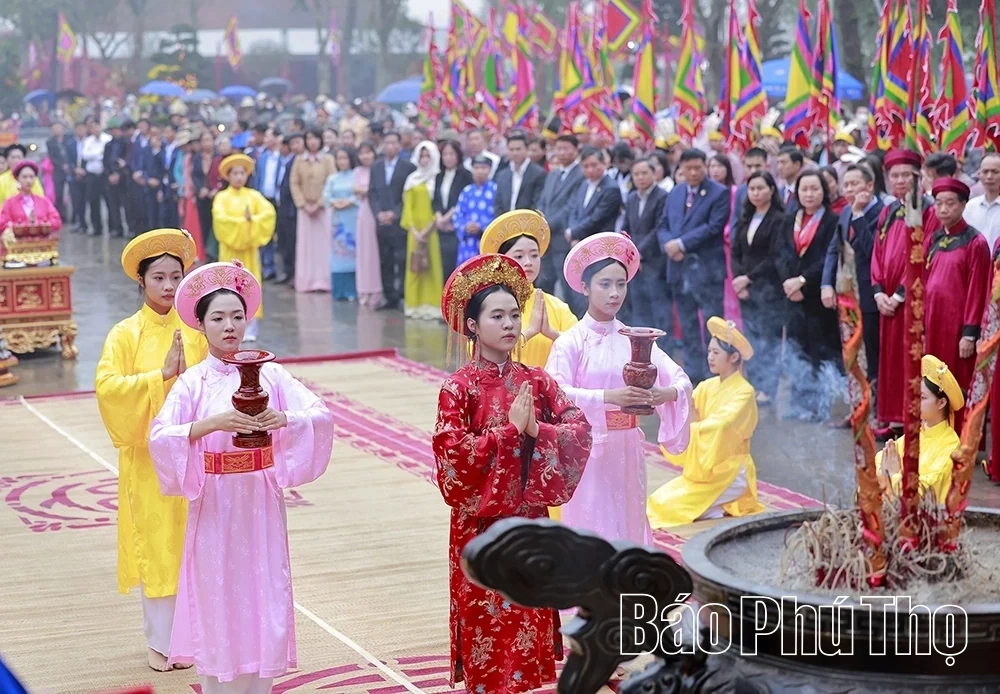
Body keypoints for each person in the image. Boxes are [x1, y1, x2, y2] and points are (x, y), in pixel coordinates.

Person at [148, 260, 334, 693]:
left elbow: (319, 415)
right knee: (219, 596)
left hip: (260, 499)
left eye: (237, 316)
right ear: (201, 324)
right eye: (218, 318)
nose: (230, 326)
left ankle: (260, 684)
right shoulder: (193, 383)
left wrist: (282, 418)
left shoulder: (270, 373)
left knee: (263, 590)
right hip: (215, 501)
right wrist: (214, 424)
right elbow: (161, 436)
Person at [432, 253, 592, 694]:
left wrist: (538, 430)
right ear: (472, 325)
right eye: (496, 315)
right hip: (479, 529)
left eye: (514, 314)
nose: (509, 324)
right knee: (487, 620)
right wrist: (508, 434)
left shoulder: (537, 381)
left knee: (525, 615)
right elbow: (451, 459)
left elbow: (579, 429)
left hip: (529, 523)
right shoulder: (458, 389)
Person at [94, 229, 206, 672]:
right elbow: (107, 389)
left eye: (175, 276)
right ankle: (161, 642)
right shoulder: (125, 334)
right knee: (159, 546)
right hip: (149, 463)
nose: (167, 286)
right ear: (140, 282)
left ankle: (195, 638)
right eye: (158, 277)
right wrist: (156, 377)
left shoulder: (197, 329)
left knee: (197, 545)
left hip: (195, 455)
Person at [546, 232, 692, 545]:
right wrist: (609, 398)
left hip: (627, 446)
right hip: (586, 450)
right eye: (605, 284)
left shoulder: (634, 339)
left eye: (621, 284)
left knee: (629, 520)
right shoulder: (571, 342)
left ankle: (628, 585)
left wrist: (662, 394)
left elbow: (679, 379)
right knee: (593, 524)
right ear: (585, 287)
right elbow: (555, 393)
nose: (615, 293)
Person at [647, 317, 765, 527]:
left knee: (669, 508)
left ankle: (729, 501)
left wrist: (690, 428)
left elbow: (721, 426)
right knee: (658, 501)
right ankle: (719, 507)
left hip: (730, 470)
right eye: (709, 351)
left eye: (716, 353)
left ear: (734, 357)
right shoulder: (709, 385)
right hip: (707, 470)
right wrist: (667, 399)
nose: (710, 357)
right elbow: (686, 404)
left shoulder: (744, 392)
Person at [871, 149, 941, 437]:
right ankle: (895, 419)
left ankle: (916, 418)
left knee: (911, 357)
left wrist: (900, 294)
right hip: (886, 300)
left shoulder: (929, 211)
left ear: (918, 177)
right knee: (889, 360)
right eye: (895, 175)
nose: (900, 181)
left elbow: (924, 253)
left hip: (911, 300)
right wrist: (878, 291)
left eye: (906, 175)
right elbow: (877, 252)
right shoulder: (888, 211)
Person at [656, 148, 732, 384]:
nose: (693, 172)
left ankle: (716, 373)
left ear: (705, 166)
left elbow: (713, 227)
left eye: (698, 167)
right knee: (687, 323)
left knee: (712, 323)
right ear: (681, 169)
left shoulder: (718, 192)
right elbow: (663, 223)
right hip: (678, 269)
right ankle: (694, 371)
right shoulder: (676, 192)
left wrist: (681, 244)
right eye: (688, 168)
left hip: (706, 270)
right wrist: (668, 244)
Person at [924, 177, 990, 433]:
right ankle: (935, 433)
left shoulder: (976, 243)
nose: (943, 209)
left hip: (957, 327)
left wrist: (969, 334)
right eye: (939, 203)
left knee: (957, 381)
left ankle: (960, 437)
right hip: (934, 323)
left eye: (950, 203)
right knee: (933, 380)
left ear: (963, 205)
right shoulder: (934, 239)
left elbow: (978, 290)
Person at [775, 170, 841, 422]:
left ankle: (821, 406)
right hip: (792, 296)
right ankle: (799, 402)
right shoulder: (789, 219)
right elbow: (780, 254)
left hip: (817, 297)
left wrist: (803, 281)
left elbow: (829, 257)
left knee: (820, 351)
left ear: (824, 191)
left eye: (815, 189)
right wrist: (789, 284)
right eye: (804, 189)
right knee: (796, 350)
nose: (809, 194)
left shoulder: (832, 221)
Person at [730, 171, 786, 404]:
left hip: (769, 289)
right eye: (752, 189)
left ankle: (768, 388)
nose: (756, 193)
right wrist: (739, 279)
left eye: (760, 188)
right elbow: (736, 252)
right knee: (751, 338)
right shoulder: (746, 217)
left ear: (772, 190)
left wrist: (748, 278)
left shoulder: (780, 219)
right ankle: (752, 383)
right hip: (746, 290)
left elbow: (775, 256)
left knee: (769, 339)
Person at [876, 355, 962, 502]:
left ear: (941, 403)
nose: (913, 403)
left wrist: (894, 474)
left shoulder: (950, 447)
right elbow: (877, 466)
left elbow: (923, 496)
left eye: (922, 398)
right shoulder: (915, 436)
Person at [211, 153, 277, 343]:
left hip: (248, 252)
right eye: (235, 173)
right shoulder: (222, 197)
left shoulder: (254, 196)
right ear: (228, 176)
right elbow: (221, 220)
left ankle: (251, 325)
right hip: (230, 252)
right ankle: (227, 325)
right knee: (229, 286)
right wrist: (246, 223)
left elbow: (268, 214)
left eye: (242, 173)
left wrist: (252, 221)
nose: (239, 177)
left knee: (250, 285)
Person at [400, 140, 444, 319]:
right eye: (422, 156)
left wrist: (428, 228)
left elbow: (439, 206)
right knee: (415, 266)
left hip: (431, 231)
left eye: (428, 156)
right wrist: (414, 229)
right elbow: (407, 207)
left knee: (432, 266)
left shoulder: (437, 179)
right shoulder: (412, 179)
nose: (424, 159)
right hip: (415, 232)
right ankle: (414, 306)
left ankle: (432, 307)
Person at [291, 130, 336, 293]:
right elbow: (294, 183)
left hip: (323, 209)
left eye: (315, 138)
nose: (312, 142)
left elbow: (332, 183)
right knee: (306, 245)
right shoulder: (299, 160)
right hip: (305, 209)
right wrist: (303, 203)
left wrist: (320, 203)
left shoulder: (328, 160)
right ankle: (306, 281)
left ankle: (324, 281)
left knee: (324, 245)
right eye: (309, 138)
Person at [432, 139, 472, 282]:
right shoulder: (438, 176)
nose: (448, 157)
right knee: (442, 268)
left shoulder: (466, 175)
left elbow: (462, 201)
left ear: (458, 155)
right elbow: (436, 200)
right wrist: (439, 218)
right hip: (441, 227)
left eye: (451, 154)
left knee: (456, 269)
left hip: (456, 228)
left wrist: (448, 218)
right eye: (445, 154)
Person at [323, 146, 359, 300]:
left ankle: (353, 291)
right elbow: (325, 196)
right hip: (338, 220)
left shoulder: (356, 176)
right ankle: (339, 291)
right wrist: (334, 202)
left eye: (345, 158)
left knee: (353, 253)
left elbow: (360, 195)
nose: (342, 161)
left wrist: (349, 202)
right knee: (338, 254)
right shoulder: (333, 178)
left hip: (353, 218)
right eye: (339, 158)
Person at [353, 141, 383, 307]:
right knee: (364, 252)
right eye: (362, 153)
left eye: (368, 152)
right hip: (364, 212)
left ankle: (377, 290)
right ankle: (364, 289)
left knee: (376, 252)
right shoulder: (357, 171)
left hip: (376, 210)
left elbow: (371, 190)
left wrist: (367, 190)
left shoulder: (378, 169)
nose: (365, 156)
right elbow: (357, 189)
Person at [452, 155, 497, 266]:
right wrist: (465, 227)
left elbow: (499, 215)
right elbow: (458, 215)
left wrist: (481, 227)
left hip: (487, 244)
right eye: (476, 168)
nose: (479, 171)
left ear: (489, 170)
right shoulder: (466, 191)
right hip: (467, 245)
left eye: (483, 168)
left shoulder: (496, 190)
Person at [0, 161, 63, 236]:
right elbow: (2, 223)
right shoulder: (10, 203)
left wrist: (39, 224)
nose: (28, 180)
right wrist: (23, 226)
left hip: (42, 244)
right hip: (16, 245)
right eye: (24, 177)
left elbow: (57, 221)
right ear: (17, 178)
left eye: (31, 177)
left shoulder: (44, 201)